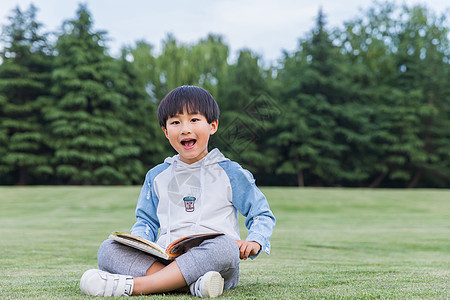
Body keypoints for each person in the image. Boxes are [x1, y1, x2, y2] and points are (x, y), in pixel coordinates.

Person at [79, 85, 276, 297]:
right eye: (175, 122)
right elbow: (146, 222)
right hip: (166, 258)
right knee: (108, 249)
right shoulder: (156, 176)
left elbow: (261, 214)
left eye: (194, 120)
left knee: (225, 247)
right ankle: (191, 286)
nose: (185, 129)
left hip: (213, 260)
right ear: (165, 131)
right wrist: (139, 244)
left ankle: (136, 286)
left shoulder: (231, 172)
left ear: (213, 125)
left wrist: (255, 241)